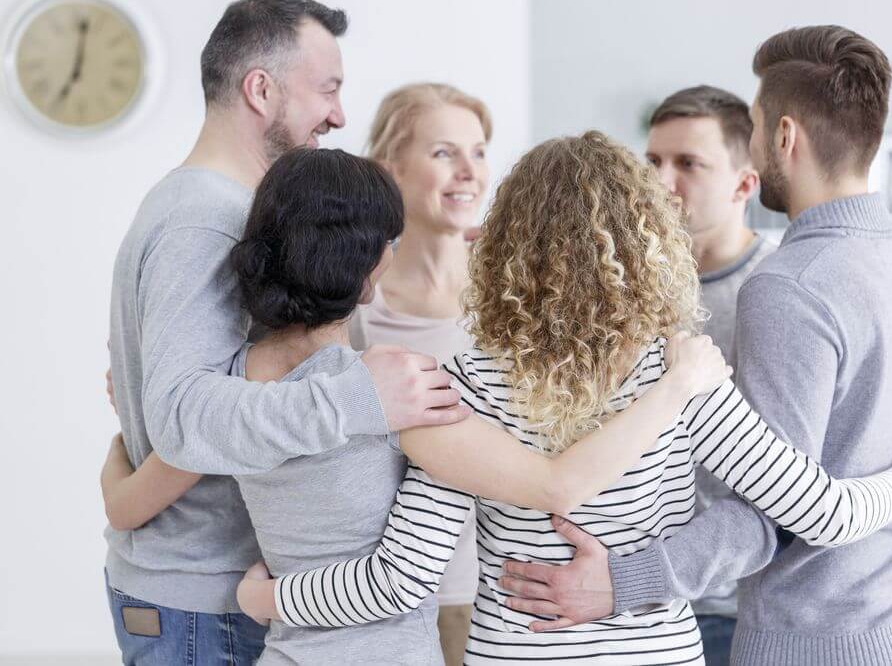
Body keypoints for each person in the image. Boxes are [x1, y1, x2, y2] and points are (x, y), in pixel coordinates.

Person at [234, 131, 892, 665]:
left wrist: (273, 598)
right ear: (647, 244)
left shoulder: (462, 384)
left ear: (509, 246)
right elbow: (819, 511)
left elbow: (401, 577)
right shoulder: (683, 375)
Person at [103, 143, 737, 662]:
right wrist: (675, 388)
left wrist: (122, 438)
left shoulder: (228, 396)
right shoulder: (403, 390)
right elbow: (546, 488)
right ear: (374, 266)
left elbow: (127, 504)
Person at [501, 27, 892, 666]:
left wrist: (621, 580)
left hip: (819, 638)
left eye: (757, 125)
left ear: (784, 137)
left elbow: (776, 510)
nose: (757, 147)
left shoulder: (787, 285)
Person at [103, 1, 465, 662]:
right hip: (210, 598)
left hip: (239, 589)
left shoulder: (237, 216)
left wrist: (122, 484)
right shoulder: (204, 223)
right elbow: (185, 414)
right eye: (328, 88)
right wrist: (361, 398)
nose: (339, 115)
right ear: (261, 89)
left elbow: (184, 395)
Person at [345, 82, 491, 666]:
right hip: (394, 599)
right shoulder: (355, 307)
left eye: (478, 152)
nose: (469, 172)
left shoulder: (518, 295)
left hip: (511, 594)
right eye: (443, 153)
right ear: (390, 169)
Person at [644, 84, 775, 665]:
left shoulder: (777, 291)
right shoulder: (629, 285)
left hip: (733, 609)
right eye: (653, 161)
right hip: (634, 596)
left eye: (688, 164)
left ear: (744, 184)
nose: (660, 181)